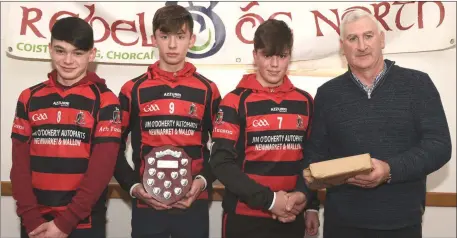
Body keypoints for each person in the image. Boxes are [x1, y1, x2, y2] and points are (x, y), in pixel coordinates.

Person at [304, 10, 452, 238]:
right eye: (353, 39)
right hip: (342, 226)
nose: (362, 45)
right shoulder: (327, 94)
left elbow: (439, 146)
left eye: (368, 36)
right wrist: (312, 193)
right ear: (343, 46)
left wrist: (389, 170)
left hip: (402, 224)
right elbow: (315, 155)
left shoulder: (418, 84)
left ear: (382, 39)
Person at [113, 5, 221, 238]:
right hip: (147, 206)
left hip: (194, 204)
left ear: (191, 39)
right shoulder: (133, 89)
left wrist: (202, 181)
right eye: (165, 36)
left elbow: (224, 148)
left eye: (180, 37)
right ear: (154, 39)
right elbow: (112, 146)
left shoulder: (208, 90)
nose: (172, 45)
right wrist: (134, 187)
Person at [10, 17, 121, 238]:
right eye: (60, 51)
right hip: (35, 224)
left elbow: (101, 171)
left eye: (77, 53)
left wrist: (64, 223)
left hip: (84, 224)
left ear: (91, 55)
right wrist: (31, 219)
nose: (68, 60)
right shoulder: (28, 97)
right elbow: (20, 165)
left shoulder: (106, 100)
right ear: (49, 49)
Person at [209, 19, 320, 238]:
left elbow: (310, 159)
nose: (275, 64)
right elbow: (221, 163)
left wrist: (309, 203)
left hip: (292, 214)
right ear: (255, 55)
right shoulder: (234, 101)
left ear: (290, 56)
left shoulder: (305, 101)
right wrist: (270, 201)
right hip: (244, 218)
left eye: (282, 56)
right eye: (267, 55)